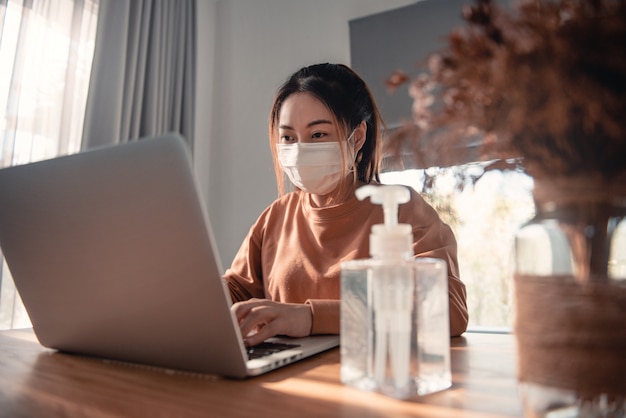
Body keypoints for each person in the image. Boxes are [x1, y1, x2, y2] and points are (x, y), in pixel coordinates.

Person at [223, 63, 468, 347]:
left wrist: (311, 318)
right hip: (288, 376)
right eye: (288, 137)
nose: (300, 149)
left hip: (373, 376)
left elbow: (447, 309)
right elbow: (235, 292)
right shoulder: (276, 216)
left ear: (358, 136)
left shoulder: (400, 208)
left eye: (317, 135)